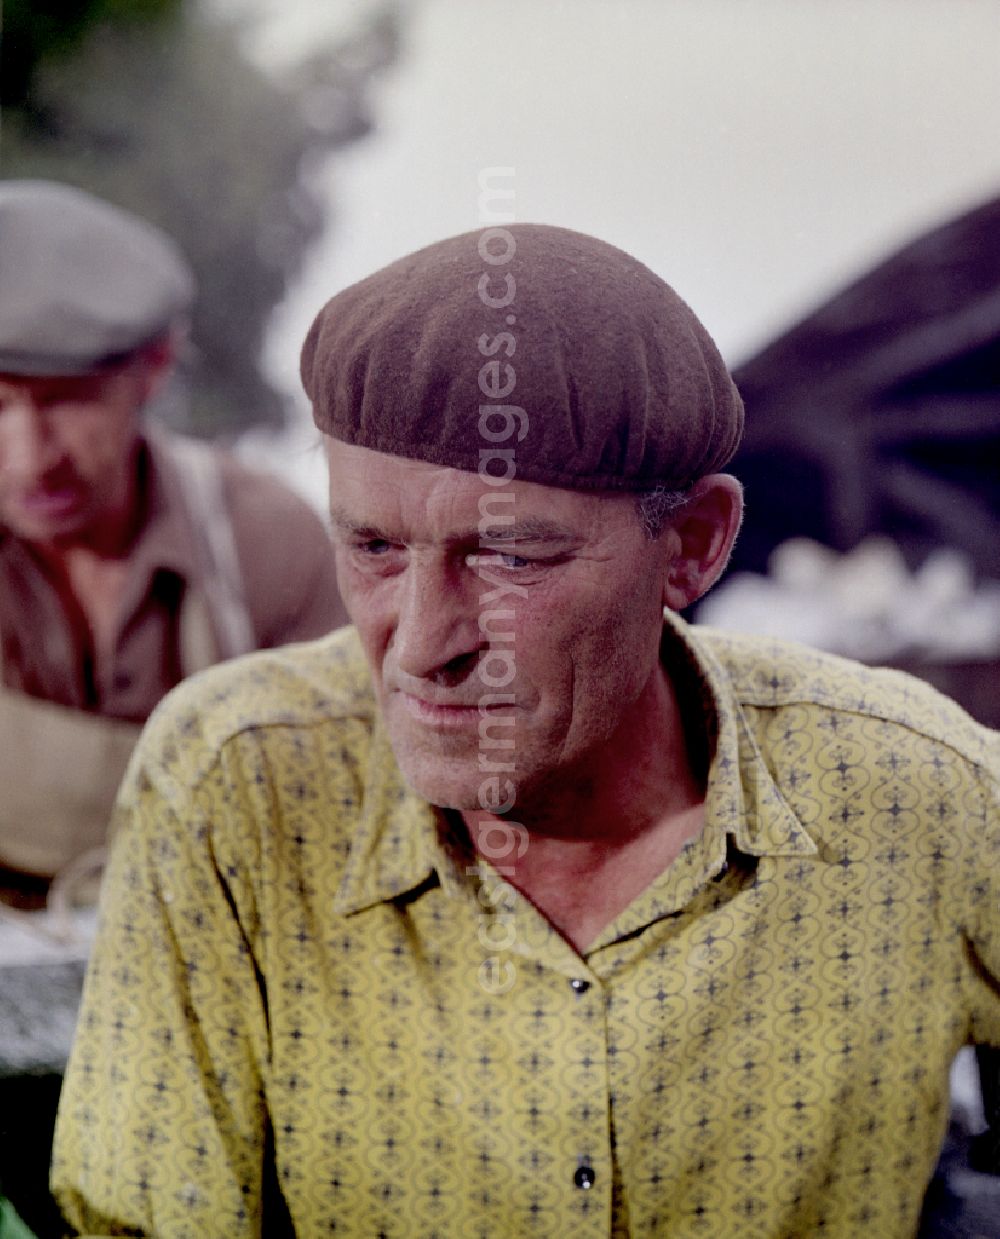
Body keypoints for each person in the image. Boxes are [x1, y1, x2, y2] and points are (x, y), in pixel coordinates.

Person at [52, 224, 999, 1238]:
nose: (418, 647)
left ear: (692, 545)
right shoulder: (235, 783)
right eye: (372, 546)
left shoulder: (915, 792)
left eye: (506, 557)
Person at [0, 180, 347, 907]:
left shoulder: (265, 545)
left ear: (154, 367)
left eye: (70, 400)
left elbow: (344, 827)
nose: (32, 457)